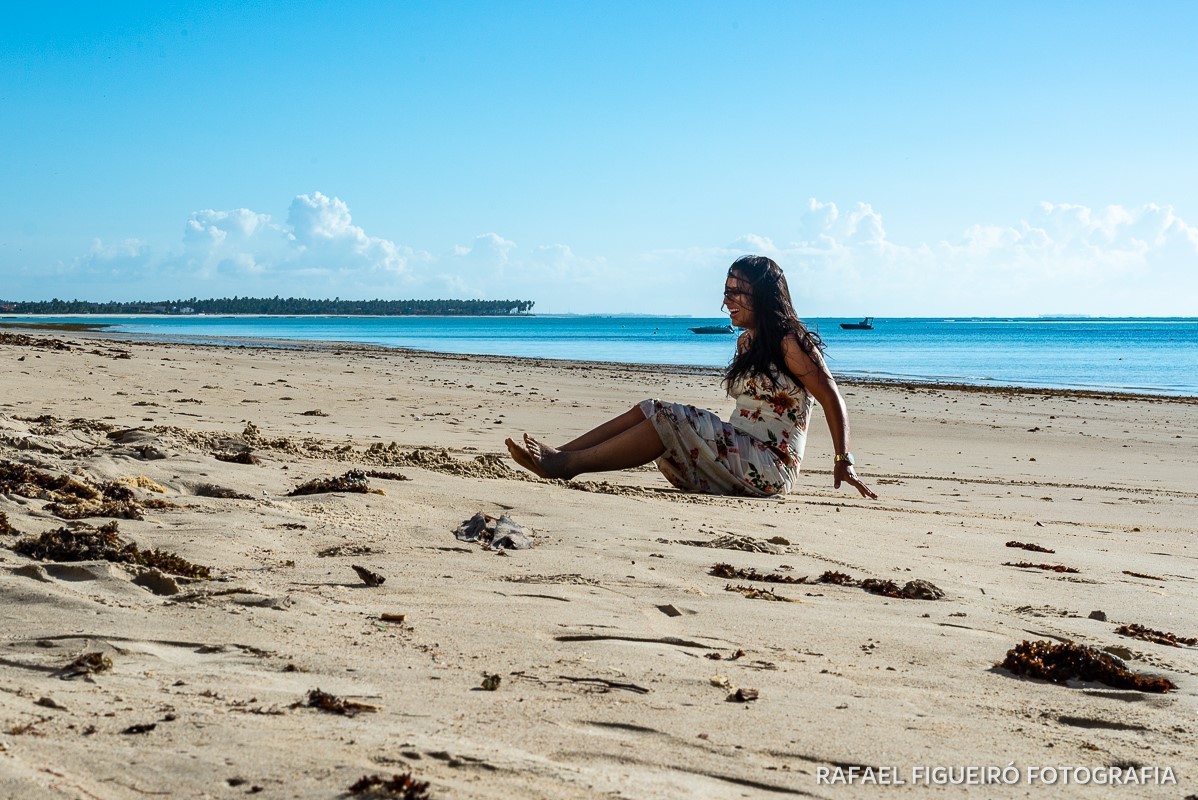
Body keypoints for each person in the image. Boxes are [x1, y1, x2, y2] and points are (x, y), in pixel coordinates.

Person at [505, 255, 877, 499]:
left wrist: (844, 459)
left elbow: (831, 397)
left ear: (763, 296)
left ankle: (567, 466)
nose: (727, 301)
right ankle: (563, 455)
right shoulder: (748, 343)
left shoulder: (789, 342)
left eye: (737, 292)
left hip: (770, 468)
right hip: (737, 456)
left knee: (670, 416)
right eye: (726, 292)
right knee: (652, 407)